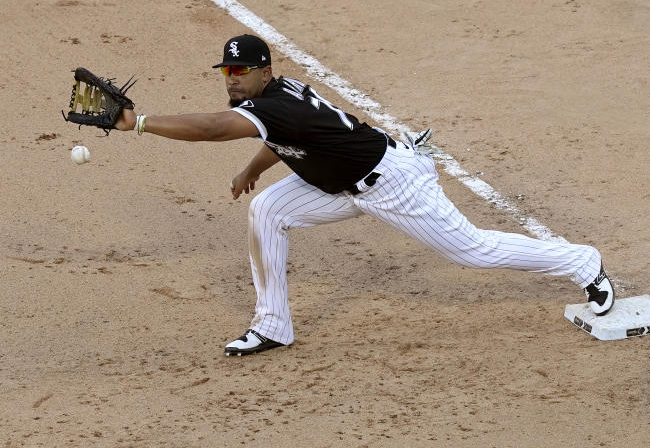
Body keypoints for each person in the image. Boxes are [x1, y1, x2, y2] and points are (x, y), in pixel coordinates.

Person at [115, 34, 615, 356]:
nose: (232, 78)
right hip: (341, 184)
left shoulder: (272, 104)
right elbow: (280, 140)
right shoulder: (275, 99)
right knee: (267, 209)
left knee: (473, 251)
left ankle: (583, 264)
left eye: (240, 71)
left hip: (393, 183)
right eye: (226, 72)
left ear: (265, 72)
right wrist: (252, 167)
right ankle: (273, 326)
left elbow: (210, 129)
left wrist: (138, 123)